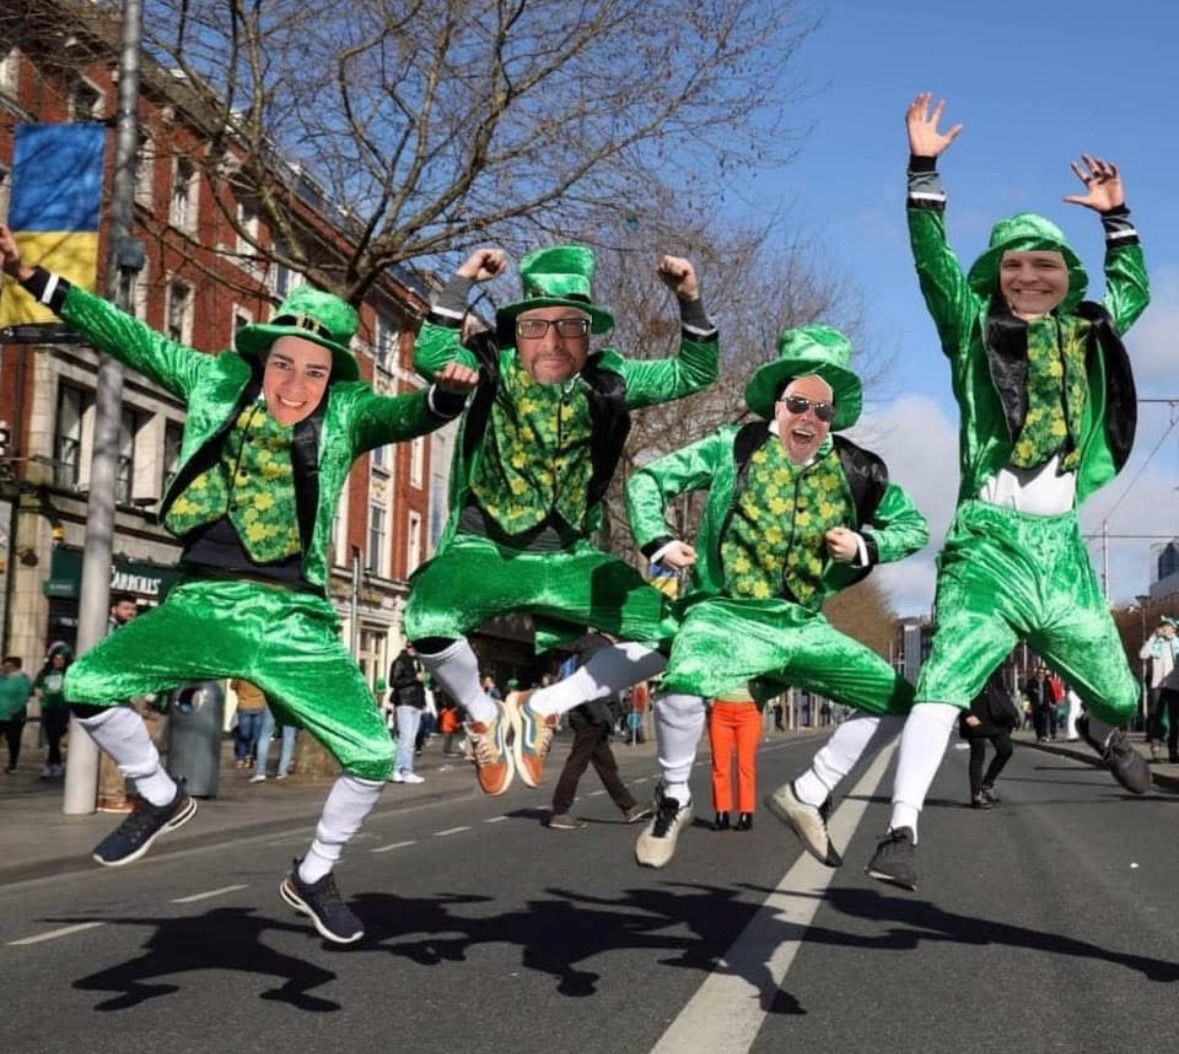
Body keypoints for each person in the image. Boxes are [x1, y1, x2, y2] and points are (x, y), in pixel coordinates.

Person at [0, 221, 477, 944]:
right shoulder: (214, 379)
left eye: (314, 373)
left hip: (293, 620)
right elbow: (123, 332)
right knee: (87, 685)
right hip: (204, 600)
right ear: (263, 358)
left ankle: (314, 872)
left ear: (332, 379)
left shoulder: (349, 412)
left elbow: (410, 412)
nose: (294, 385)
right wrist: (31, 276)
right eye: (284, 365)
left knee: (374, 755)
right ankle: (159, 796)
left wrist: (446, 392)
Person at [865, 94, 1151, 892]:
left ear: (1064, 280)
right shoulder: (969, 328)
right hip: (988, 543)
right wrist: (923, 171)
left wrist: (1118, 215)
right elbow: (930, 267)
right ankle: (899, 831)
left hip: (1059, 549)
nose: (1029, 279)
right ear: (996, 277)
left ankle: (1101, 730)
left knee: (1124, 698)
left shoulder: (1089, 331)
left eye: (1045, 267)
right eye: (1015, 267)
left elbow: (1133, 294)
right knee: (946, 678)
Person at [407, 244, 717, 796]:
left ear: (586, 330)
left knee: (680, 636)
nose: (553, 338)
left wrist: (688, 300)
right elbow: (430, 355)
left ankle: (540, 709)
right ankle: (483, 716)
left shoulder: (609, 379)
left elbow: (694, 372)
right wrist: (460, 284)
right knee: (427, 614)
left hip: (569, 556)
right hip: (487, 549)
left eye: (569, 324)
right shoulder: (488, 360)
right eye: (539, 323)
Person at [626, 325, 928, 868]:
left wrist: (865, 543)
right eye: (799, 403)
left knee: (901, 703)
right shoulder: (732, 447)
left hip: (800, 622)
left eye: (823, 409)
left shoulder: (857, 469)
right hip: (725, 613)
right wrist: (659, 538)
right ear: (778, 402)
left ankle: (809, 792)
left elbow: (913, 526)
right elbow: (648, 480)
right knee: (683, 683)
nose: (809, 418)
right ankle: (673, 796)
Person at [549, 639, 653, 829]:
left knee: (606, 766)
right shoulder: (596, 648)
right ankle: (560, 812)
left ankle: (630, 807)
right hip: (590, 718)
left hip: (594, 717)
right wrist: (599, 716)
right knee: (577, 764)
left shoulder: (600, 647)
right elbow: (587, 684)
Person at [960, 671, 1021, 808]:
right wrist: (967, 713)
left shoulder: (995, 662)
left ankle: (987, 784)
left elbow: (1001, 691)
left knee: (1006, 749)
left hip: (996, 715)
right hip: (975, 713)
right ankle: (976, 795)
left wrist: (1012, 712)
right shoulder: (968, 662)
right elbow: (959, 689)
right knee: (978, 754)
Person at [706, 692, 760, 832]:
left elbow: (775, 676)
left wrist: (763, 696)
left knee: (745, 765)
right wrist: (709, 699)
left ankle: (746, 812)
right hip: (720, 709)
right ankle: (721, 812)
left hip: (749, 710)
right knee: (719, 765)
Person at [1139, 616, 1179, 762]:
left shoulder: (1178, 643)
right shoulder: (1156, 643)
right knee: (1156, 716)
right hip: (1158, 686)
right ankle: (1155, 747)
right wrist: (1152, 637)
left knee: (1174, 720)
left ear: (1174, 629)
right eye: (1162, 626)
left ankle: (1173, 751)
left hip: (1174, 686)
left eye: (1167, 626)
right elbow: (1142, 654)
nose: (1164, 628)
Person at [389, 645, 427, 784]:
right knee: (405, 738)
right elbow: (393, 681)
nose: (415, 650)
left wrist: (423, 701)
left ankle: (407, 771)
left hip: (416, 702)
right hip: (404, 701)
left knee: (411, 739)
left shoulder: (418, 662)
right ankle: (397, 770)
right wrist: (414, 678)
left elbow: (421, 684)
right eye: (412, 647)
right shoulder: (400, 661)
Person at [33, 646, 72, 777]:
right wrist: (40, 696)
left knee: (54, 737)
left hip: (62, 708)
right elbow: (37, 687)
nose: (58, 662)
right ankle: (53, 764)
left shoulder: (69, 673)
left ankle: (52, 764)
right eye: (56, 659)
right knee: (51, 738)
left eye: (62, 659)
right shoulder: (45, 672)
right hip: (48, 707)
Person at [0, 655, 33, 773]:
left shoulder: (21, 680)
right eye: (4, 665)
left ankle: (12, 764)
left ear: (15, 667)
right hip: (0, 714)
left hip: (14, 717)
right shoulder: (1, 678)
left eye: (9, 666)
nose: (5, 668)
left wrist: (16, 708)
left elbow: (24, 696)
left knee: (13, 741)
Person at [230, 678, 267, 769]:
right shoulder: (241, 675)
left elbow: (233, 686)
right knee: (245, 734)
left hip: (259, 707)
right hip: (245, 707)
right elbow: (232, 686)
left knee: (255, 736)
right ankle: (242, 756)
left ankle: (249, 757)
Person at [1025, 667, 1055, 743]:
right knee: (1037, 721)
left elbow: (1051, 692)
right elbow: (1026, 690)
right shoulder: (1031, 682)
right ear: (1036, 673)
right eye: (1039, 673)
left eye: (1042, 673)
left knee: (1044, 719)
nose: (1040, 675)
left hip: (1045, 704)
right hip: (1035, 704)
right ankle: (1039, 735)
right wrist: (1032, 690)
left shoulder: (1047, 682)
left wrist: (1053, 701)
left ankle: (1044, 735)